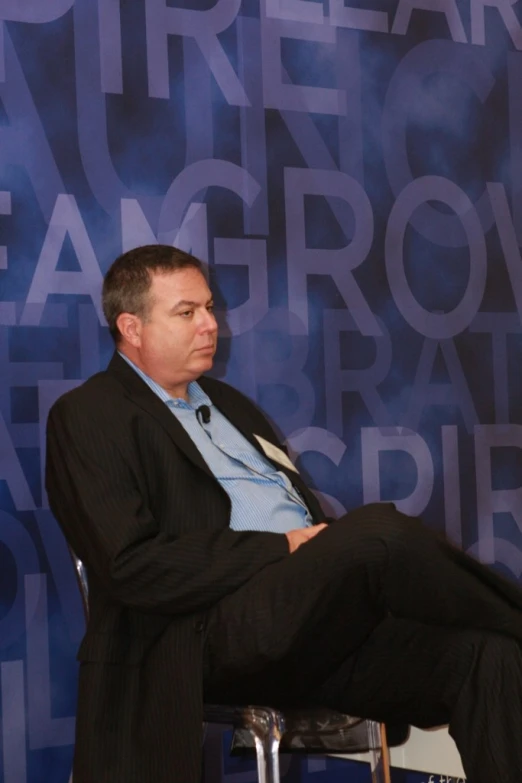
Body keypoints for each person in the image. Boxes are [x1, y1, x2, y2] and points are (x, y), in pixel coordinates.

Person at [46, 244, 522, 783]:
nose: (210, 324)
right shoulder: (90, 414)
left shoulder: (231, 404)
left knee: (488, 655)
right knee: (377, 533)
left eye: (209, 308)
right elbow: (130, 565)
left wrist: (312, 554)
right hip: (203, 634)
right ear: (130, 327)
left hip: (306, 629)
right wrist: (284, 547)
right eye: (187, 312)